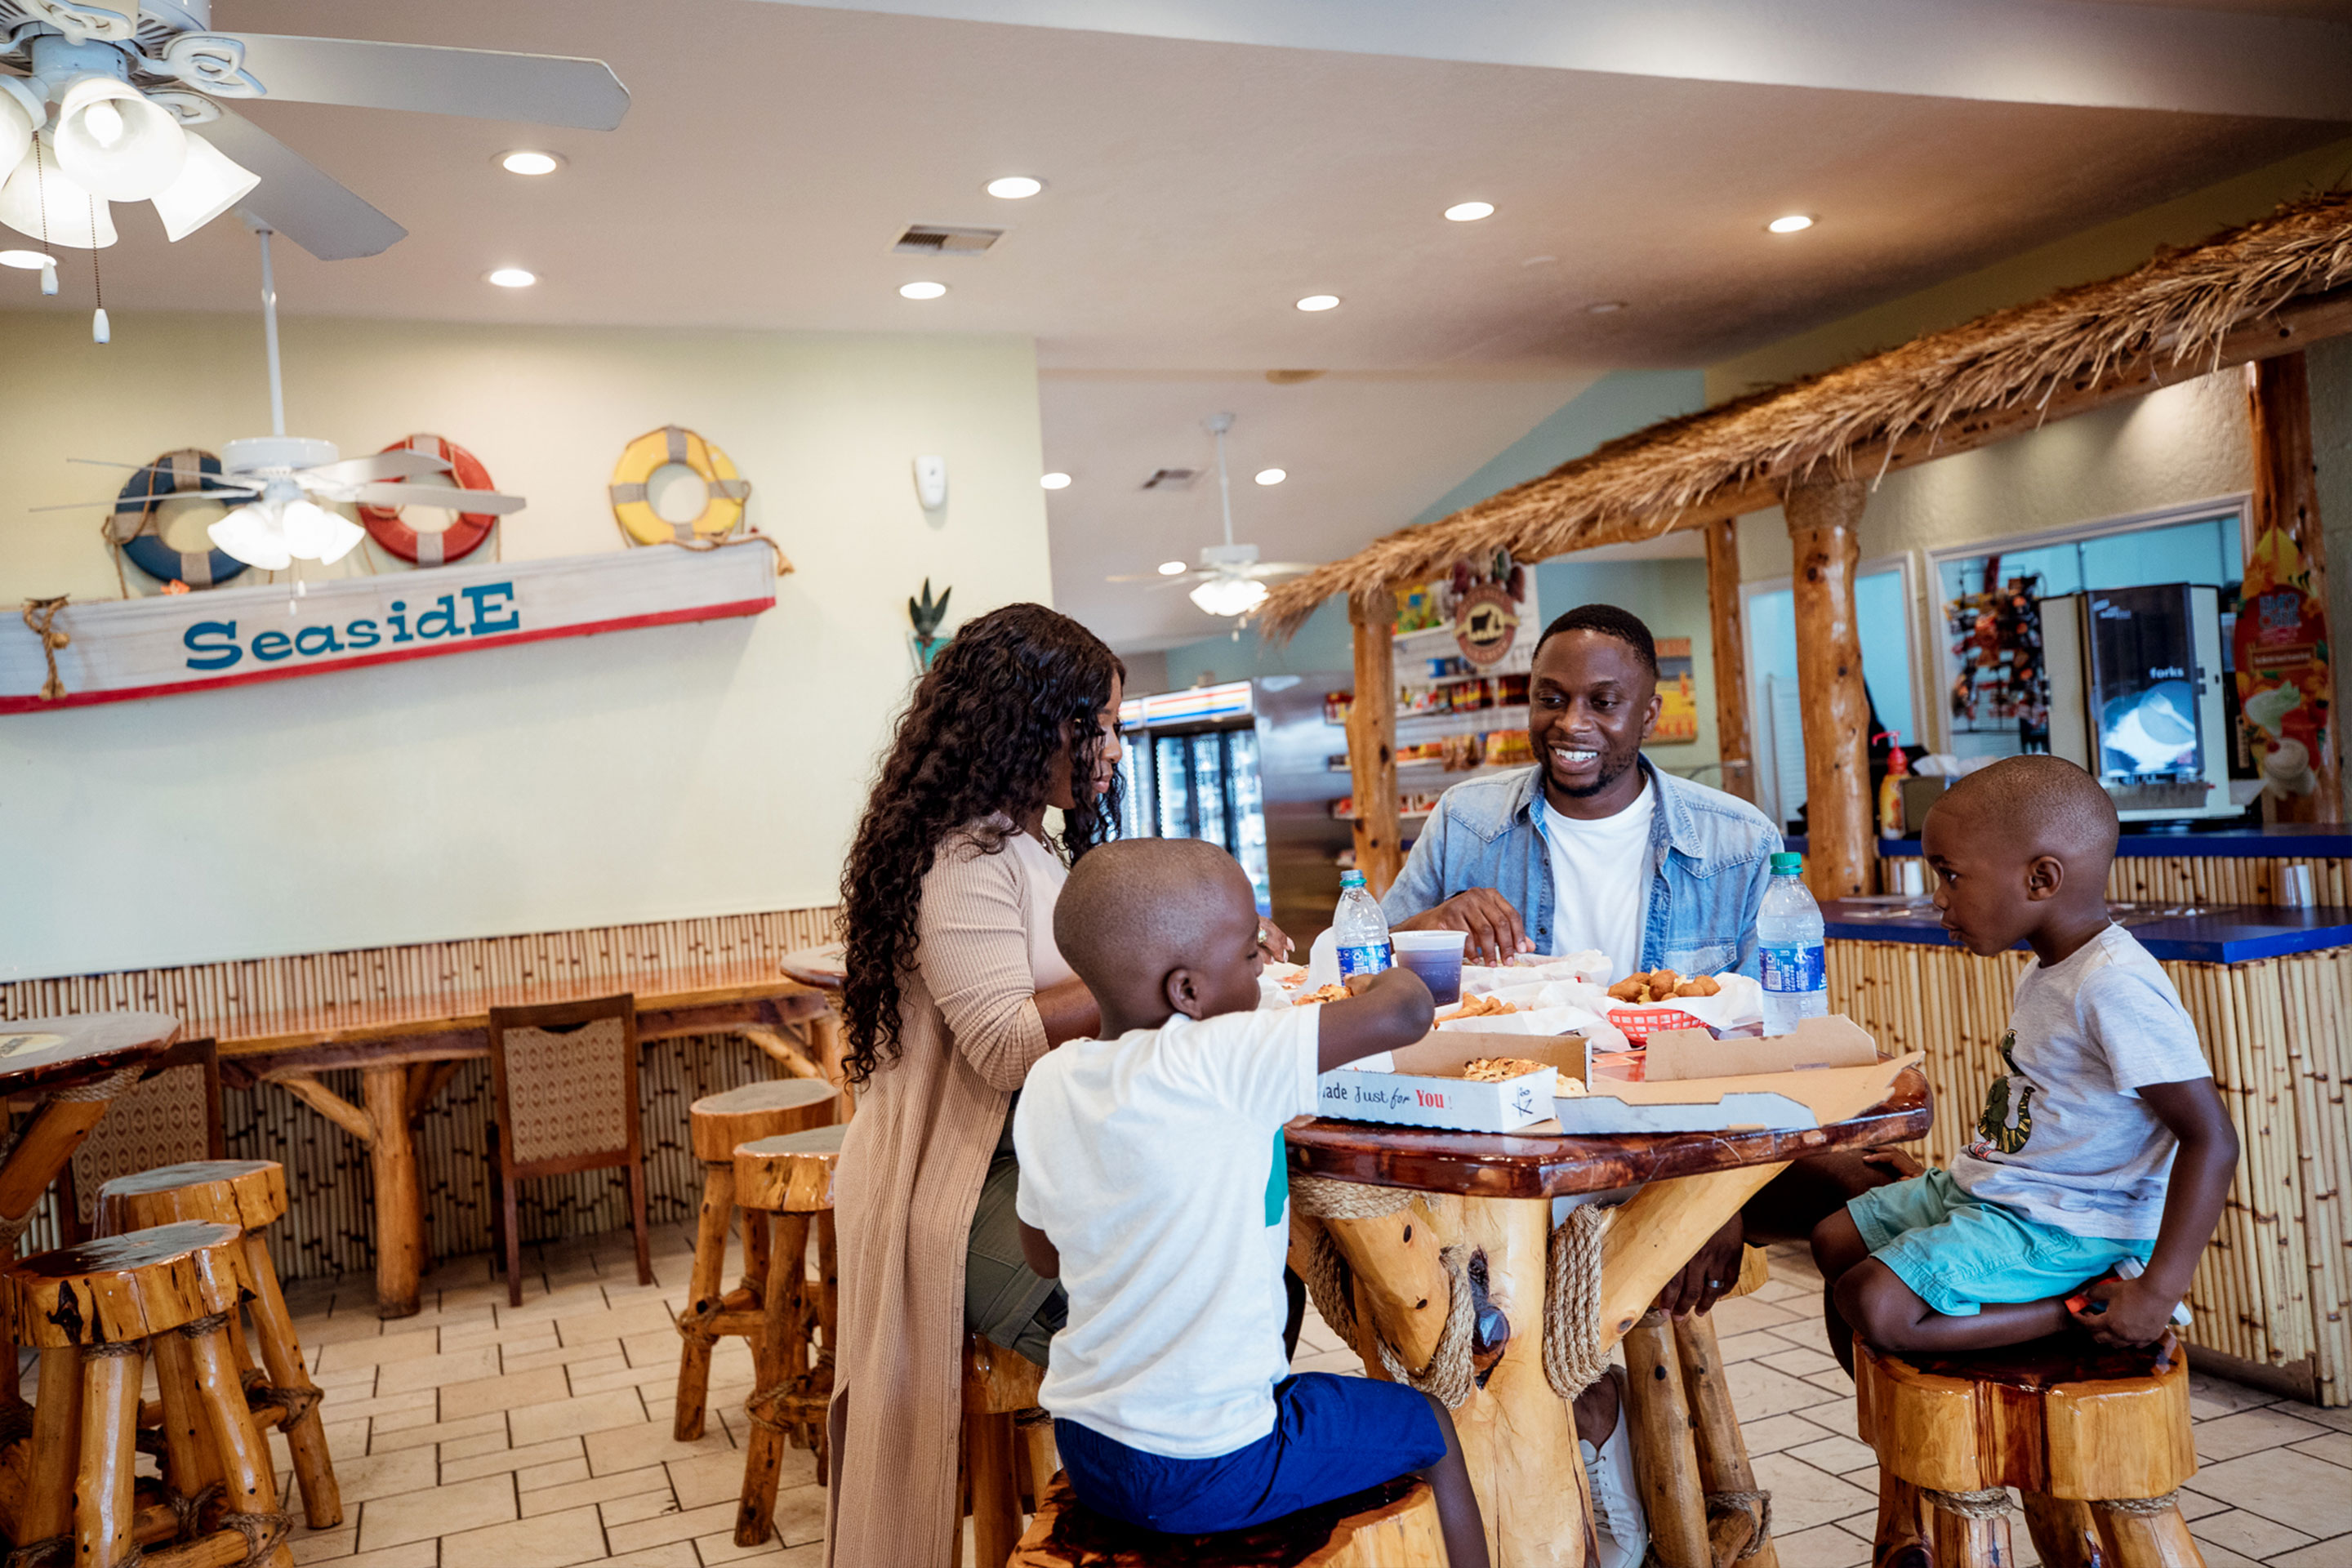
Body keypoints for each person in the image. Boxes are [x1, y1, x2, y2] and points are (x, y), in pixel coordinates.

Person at [1374, 601, 1902, 1568]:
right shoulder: (1468, 821)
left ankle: (1624, 1494)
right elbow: (1375, 979)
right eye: (1550, 698)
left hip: (1677, 1142)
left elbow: (1785, 1043)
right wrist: (1439, 926)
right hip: (1518, 1140)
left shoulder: (1735, 842)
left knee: (1882, 1204)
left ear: (1650, 712)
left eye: (1603, 702)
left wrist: (1711, 1194)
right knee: (1464, 1309)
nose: (1572, 723)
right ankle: (1596, 1494)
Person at [1013, 838, 1490, 1567]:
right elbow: (1406, 1012)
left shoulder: (1051, 1081)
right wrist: (1372, 969)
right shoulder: (1222, 1057)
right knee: (1426, 1423)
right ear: (1187, 993)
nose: (1264, 965)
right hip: (1214, 1461)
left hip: (1091, 1447)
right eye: (1248, 954)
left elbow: (1042, 1253)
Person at [822, 604, 1124, 1568]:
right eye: (1097, 727)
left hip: (1031, 1158)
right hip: (949, 1185)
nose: (1113, 749)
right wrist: (1150, 961)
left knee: (1210, 1272)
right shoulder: (964, 859)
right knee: (1121, 1306)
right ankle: (1106, 1532)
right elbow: (1002, 1045)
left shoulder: (1034, 846)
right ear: (1029, 722)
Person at [1814, 755, 2238, 1356]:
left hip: (2073, 1226)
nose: (1938, 899)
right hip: (2009, 1192)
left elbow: (2212, 1138)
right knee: (1835, 1241)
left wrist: (2157, 1291)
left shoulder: (2114, 984)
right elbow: (2045, 1108)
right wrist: (1971, 1173)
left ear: (2041, 879)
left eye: (1950, 875)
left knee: (1876, 1302)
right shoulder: (2048, 968)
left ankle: (2076, 1307)